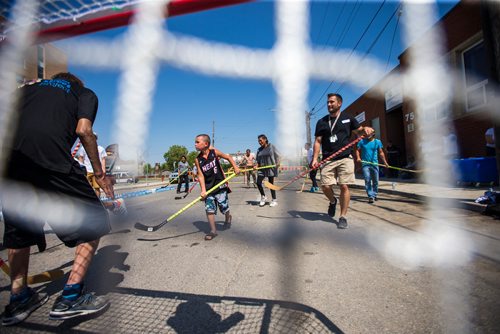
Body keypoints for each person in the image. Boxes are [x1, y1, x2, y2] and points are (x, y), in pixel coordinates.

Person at [1, 73, 114, 326]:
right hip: (52, 158)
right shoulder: (83, 93)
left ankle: (19, 297)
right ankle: (71, 296)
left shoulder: (24, 91)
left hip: (13, 161)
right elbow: (84, 131)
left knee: (19, 232)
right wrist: (100, 174)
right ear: (76, 82)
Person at [312, 93, 374, 229]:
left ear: (339, 103)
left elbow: (359, 131)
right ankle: (333, 201)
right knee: (325, 186)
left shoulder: (348, 118)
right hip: (328, 159)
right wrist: (315, 159)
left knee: (344, 186)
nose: (329, 104)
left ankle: (343, 216)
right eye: (328, 102)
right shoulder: (321, 122)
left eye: (332, 102)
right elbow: (317, 141)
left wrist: (366, 128)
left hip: (345, 157)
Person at [194, 134, 240, 241]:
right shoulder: (198, 160)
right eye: (195, 142)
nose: (195, 144)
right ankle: (213, 231)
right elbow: (200, 175)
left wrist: (235, 167)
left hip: (220, 185)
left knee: (223, 206)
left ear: (206, 144)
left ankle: (228, 216)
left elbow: (228, 157)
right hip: (209, 188)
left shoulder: (214, 152)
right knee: (209, 209)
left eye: (197, 142)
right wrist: (203, 190)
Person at [355, 134, 389, 203]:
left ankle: (374, 194)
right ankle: (370, 196)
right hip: (365, 164)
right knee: (367, 179)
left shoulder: (377, 142)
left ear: (373, 134)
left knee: (375, 181)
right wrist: (358, 157)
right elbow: (357, 150)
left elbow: (381, 152)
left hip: (375, 164)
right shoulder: (362, 142)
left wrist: (385, 162)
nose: (367, 135)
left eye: (369, 134)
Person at [76, 133, 107, 197]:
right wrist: (81, 168)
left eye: (93, 137)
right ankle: (89, 199)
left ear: (96, 139)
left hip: (97, 172)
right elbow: (80, 158)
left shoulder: (101, 149)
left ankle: (98, 201)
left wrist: (103, 169)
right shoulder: (83, 148)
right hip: (87, 171)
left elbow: (103, 159)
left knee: (97, 188)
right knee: (87, 188)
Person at [255, 134, 281, 207]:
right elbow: (258, 161)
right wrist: (255, 166)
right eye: (258, 141)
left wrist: (278, 162)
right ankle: (263, 197)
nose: (259, 142)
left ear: (265, 139)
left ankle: (274, 200)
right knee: (258, 183)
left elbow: (278, 155)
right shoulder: (259, 149)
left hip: (270, 168)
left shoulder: (271, 146)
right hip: (262, 168)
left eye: (260, 140)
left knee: (270, 184)